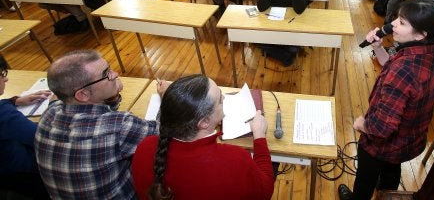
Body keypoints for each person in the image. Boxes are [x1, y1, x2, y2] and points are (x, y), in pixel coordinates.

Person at [338, 0, 434, 200]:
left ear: (421, 34)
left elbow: (381, 128)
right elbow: (392, 69)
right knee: (391, 171)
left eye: (401, 22)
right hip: (408, 140)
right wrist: (378, 46)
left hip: (382, 144)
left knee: (364, 181)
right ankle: (386, 193)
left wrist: (362, 125)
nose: (392, 24)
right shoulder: (431, 50)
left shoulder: (405, 69)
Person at [34, 50, 167, 199]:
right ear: (83, 94)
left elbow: (58, 100)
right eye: (106, 74)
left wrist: (112, 93)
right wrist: (167, 97)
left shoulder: (49, 113)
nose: (115, 74)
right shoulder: (119, 126)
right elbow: (165, 131)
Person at [131, 75, 274, 200]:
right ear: (204, 122)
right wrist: (260, 135)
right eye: (220, 99)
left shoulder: (144, 148)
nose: (224, 98)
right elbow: (265, 191)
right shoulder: (236, 161)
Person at [0, 57, 51, 199]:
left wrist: (14, 100)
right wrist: (54, 103)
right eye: (2, 74)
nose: (6, 80)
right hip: (23, 174)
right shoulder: (3, 113)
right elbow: (44, 140)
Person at [257, 0, 308, 66]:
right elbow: (261, 8)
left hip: (292, 20)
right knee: (253, 37)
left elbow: (299, 10)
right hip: (273, 19)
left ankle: (276, 48)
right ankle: (284, 54)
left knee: (292, 47)